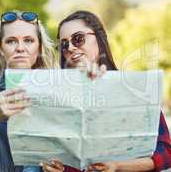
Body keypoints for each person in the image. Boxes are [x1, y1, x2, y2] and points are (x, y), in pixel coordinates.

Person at [52, 10, 171, 172]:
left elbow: (166, 153)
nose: (71, 48)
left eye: (78, 39)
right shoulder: (57, 98)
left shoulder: (135, 89)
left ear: (99, 39)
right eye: (64, 44)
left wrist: (118, 166)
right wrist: (58, 168)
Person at [0, 11, 62, 172]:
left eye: (29, 40)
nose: (20, 48)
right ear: (0, 48)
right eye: (11, 41)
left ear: (39, 48)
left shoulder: (55, 88)